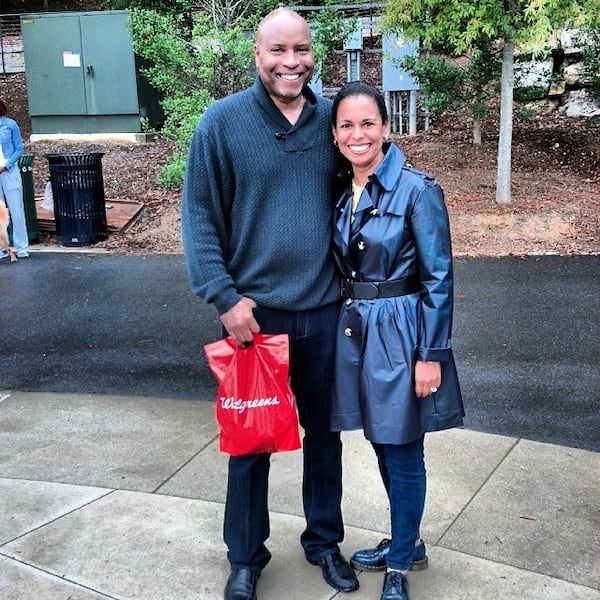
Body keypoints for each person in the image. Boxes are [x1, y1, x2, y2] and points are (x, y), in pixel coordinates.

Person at [181, 9, 359, 600]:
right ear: (256, 54)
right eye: (278, 50)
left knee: (325, 437)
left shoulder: (330, 120)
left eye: (302, 50)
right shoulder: (222, 124)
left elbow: (373, 171)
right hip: (254, 319)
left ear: (314, 53)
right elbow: (200, 219)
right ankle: (245, 557)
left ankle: (324, 542)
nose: (292, 62)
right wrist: (223, 298)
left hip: (327, 310)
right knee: (250, 441)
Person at [330, 81, 465, 600]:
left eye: (368, 123)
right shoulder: (344, 190)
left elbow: (438, 279)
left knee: (404, 450)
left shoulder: (417, 189)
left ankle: (401, 565)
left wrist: (431, 355)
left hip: (403, 334)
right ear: (336, 134)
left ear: (386, 128)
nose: (358, 134)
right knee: (381, 443)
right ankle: (405, 540)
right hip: (358, 332)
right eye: (346, 125)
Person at [0, 98, 28, 259]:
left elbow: (19, 149)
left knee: (16, 210)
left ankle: (21, 246)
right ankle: (3, 247)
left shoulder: (10, 125)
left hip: (9, 171)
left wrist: (7, 165)